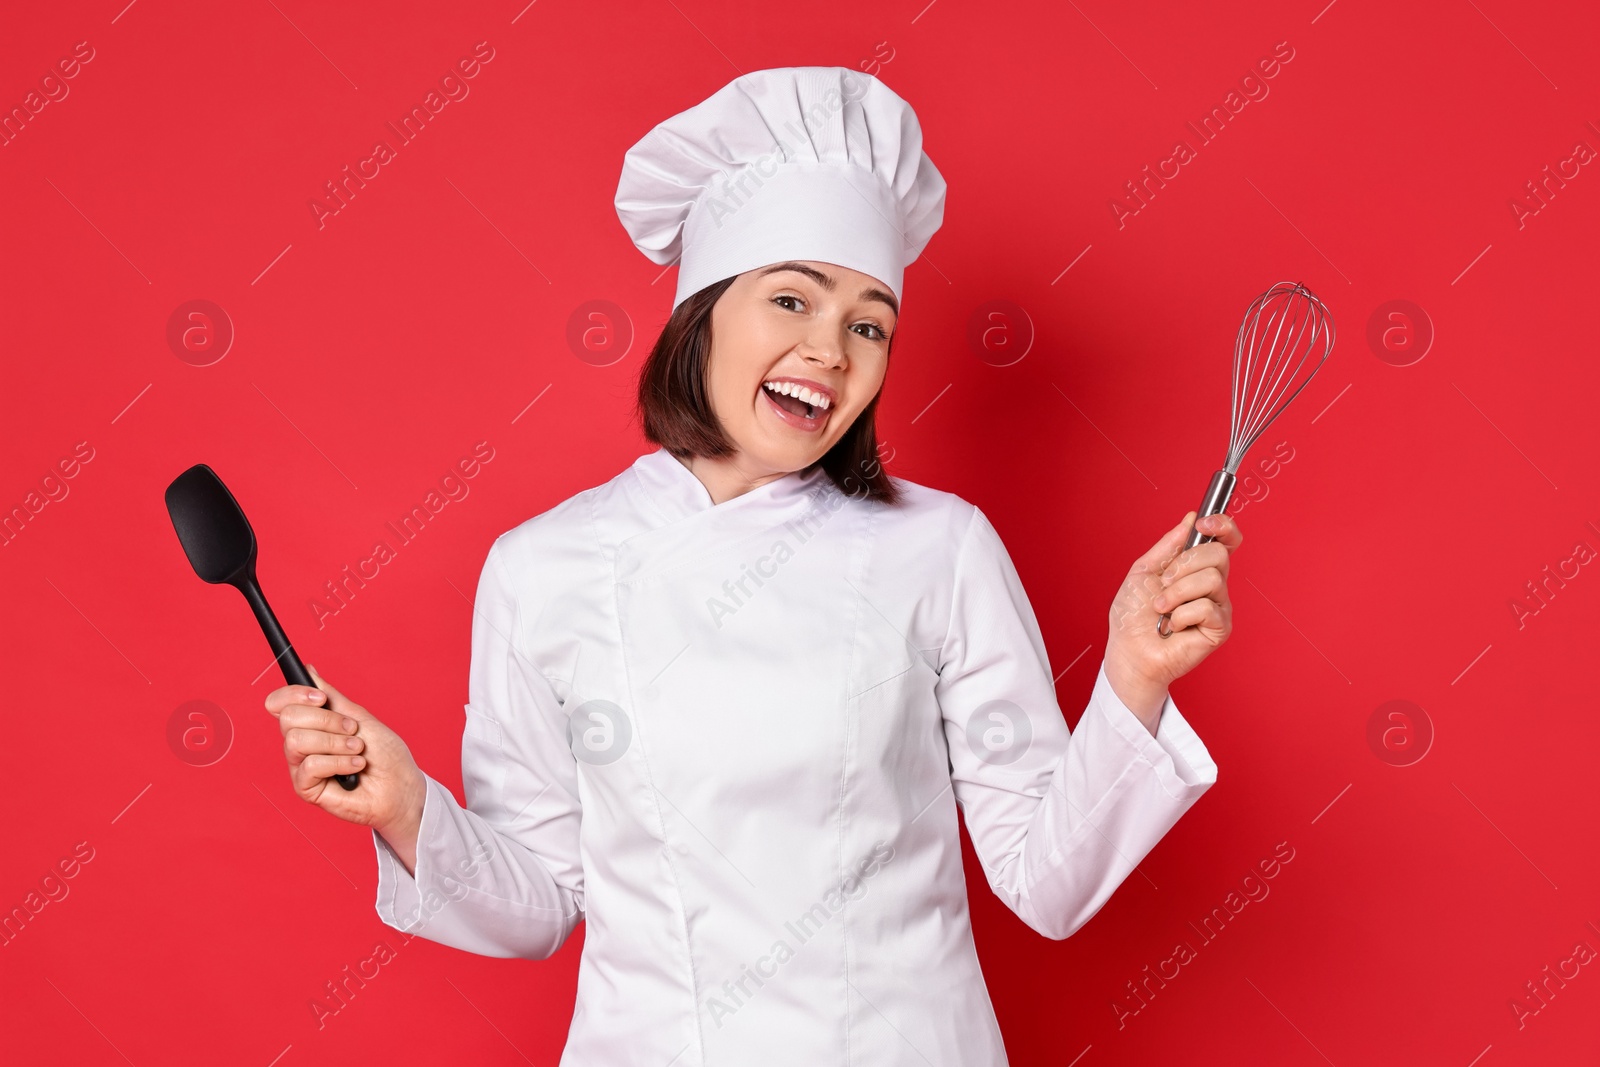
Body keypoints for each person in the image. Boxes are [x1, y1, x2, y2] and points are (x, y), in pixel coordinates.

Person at [264, 65, 1237, 1065]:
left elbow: (1048, 881)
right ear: (704, 313)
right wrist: (406, 806)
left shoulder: (938, 546)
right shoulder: (541, 567)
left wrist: (1132, 678)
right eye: (791, 299)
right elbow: (542, 904)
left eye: (869, 324)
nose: (831, 349)